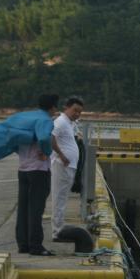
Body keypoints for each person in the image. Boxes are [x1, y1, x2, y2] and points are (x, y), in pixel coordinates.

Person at [0, 94, 59, 255]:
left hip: (23, 169)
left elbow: (12, 136)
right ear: (52, 107)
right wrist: (46, 152)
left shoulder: (23, 118)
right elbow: (44, 138)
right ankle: (36, 246)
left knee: (24, 208)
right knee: (36, 208)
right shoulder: (45, 120)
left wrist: (19, 151)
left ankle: (23, 244)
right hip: (39, 171)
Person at [50, 97, 84, 240]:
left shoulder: (70, 123)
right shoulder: (61, 122)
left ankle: (59, 228)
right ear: (66, 107)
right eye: (75, 110)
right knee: (59, 198)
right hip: (62, 164)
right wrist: (62, 155)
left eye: (80, 112)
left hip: (69, 166)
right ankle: (57, 232)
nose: (77, 114)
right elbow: (51, 137)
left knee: (63, 198)